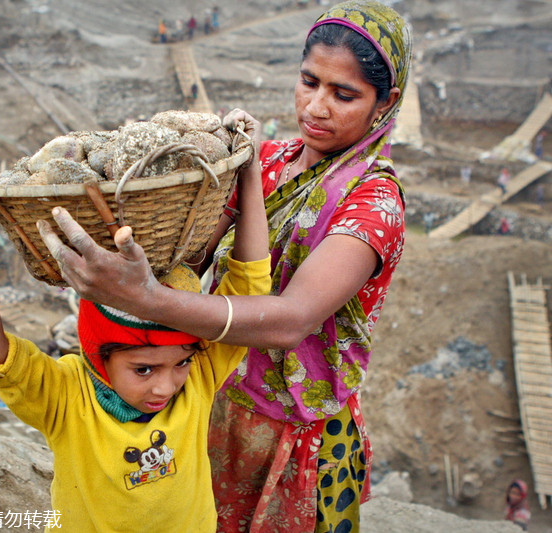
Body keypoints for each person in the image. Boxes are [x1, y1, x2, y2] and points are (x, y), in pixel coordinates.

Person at [37, 2, 412, 531]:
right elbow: (194, 255)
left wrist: (144, 298)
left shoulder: (375, 203)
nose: (316, 106)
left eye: (343, 94)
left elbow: (292, 319)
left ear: (385, 102)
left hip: (294, 434)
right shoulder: (273, 160)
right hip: (210, 397)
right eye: (309, 81)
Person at [0, 149, 270, 532]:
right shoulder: (67, 398)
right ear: (99, 355)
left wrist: (251, 176)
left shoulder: (198, 379)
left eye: (180, 362)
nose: (165, 386)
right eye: (144, 368)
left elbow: (249, 289)